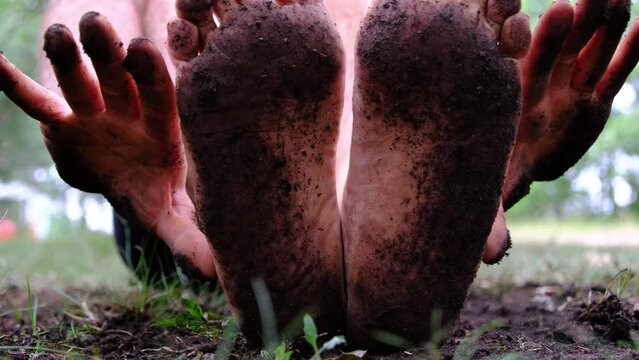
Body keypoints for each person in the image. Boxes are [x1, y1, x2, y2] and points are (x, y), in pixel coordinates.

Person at [0, 0, 637, 351]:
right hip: (175, 194)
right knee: (383, 29)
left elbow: (88, 19)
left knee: (388, 33)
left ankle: (331, 239)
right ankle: (362, 239)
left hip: (182, 202)